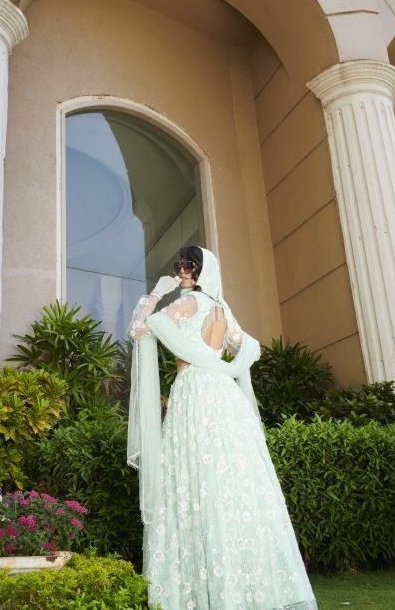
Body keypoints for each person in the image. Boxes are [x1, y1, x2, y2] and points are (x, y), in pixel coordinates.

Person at [127, 246, 317, 610]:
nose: (182, 271)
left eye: (188, 266)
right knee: (230, 480)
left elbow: (139, 329)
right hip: (224, 394)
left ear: (201, 272)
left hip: (195, 392)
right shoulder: (223, 309)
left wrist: (154, 293)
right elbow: (252, 349)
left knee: (195, 479)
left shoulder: (189, 304)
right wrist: (225, 365)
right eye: (180, 266)